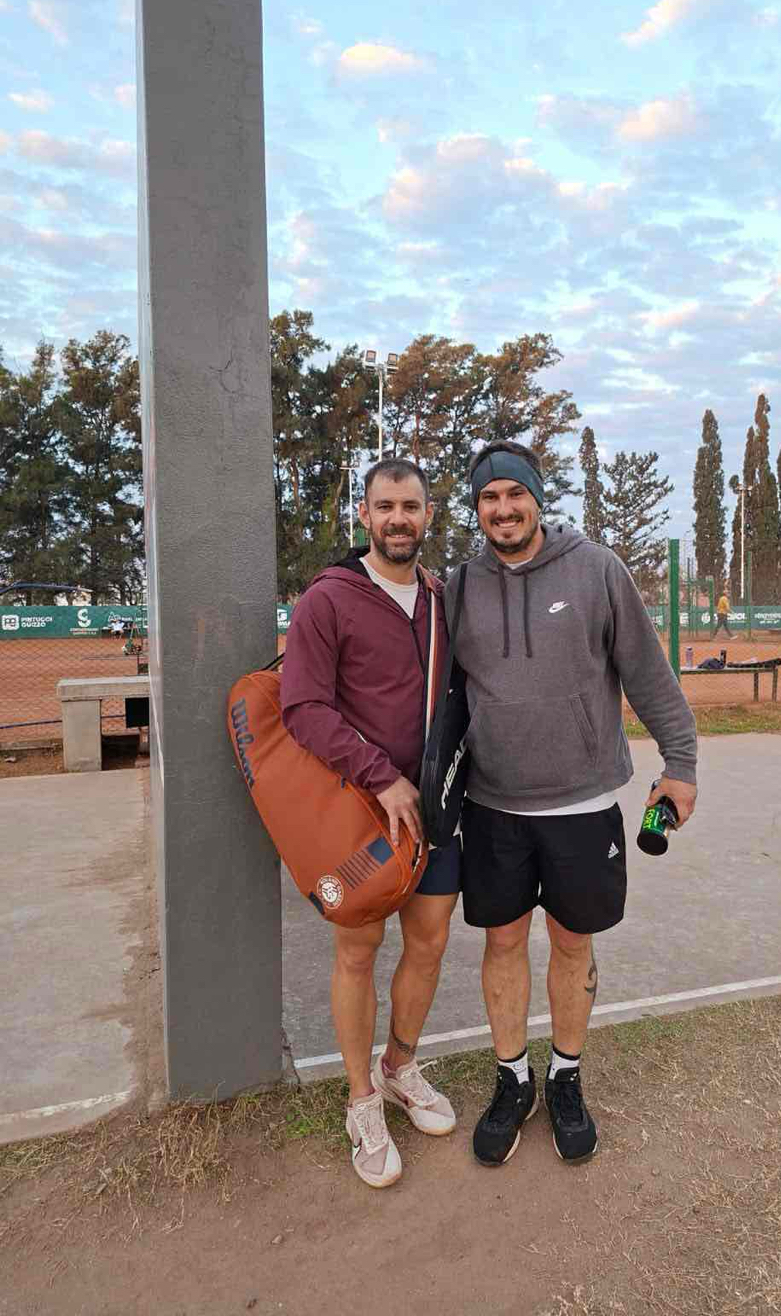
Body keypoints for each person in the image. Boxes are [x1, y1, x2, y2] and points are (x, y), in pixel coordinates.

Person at [447, 440, 698, 1167]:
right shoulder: (459, 586)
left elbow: (647, 672)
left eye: (514, 494)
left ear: (536, 497)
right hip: (492, 806)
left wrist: (681, 763)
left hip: (582, 806)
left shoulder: (596, 569)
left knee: (571, 944)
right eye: (488, 498)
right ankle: (512, 1079)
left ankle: (564, 1075)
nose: (503, 509)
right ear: (477, 509)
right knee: (501, 943)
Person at [281, 459, 461, 1189]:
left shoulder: (443, 598)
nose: (398, 519)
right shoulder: (327, 598)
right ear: (363, 514)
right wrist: (379, 775)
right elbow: (302, 707)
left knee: (431, 941)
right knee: (358, 952)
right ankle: (361, 1099)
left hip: (435, 811)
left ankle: (398, 1067)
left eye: (410, 506)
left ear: (428, 515)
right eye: (384, 506)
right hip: (361, 816)